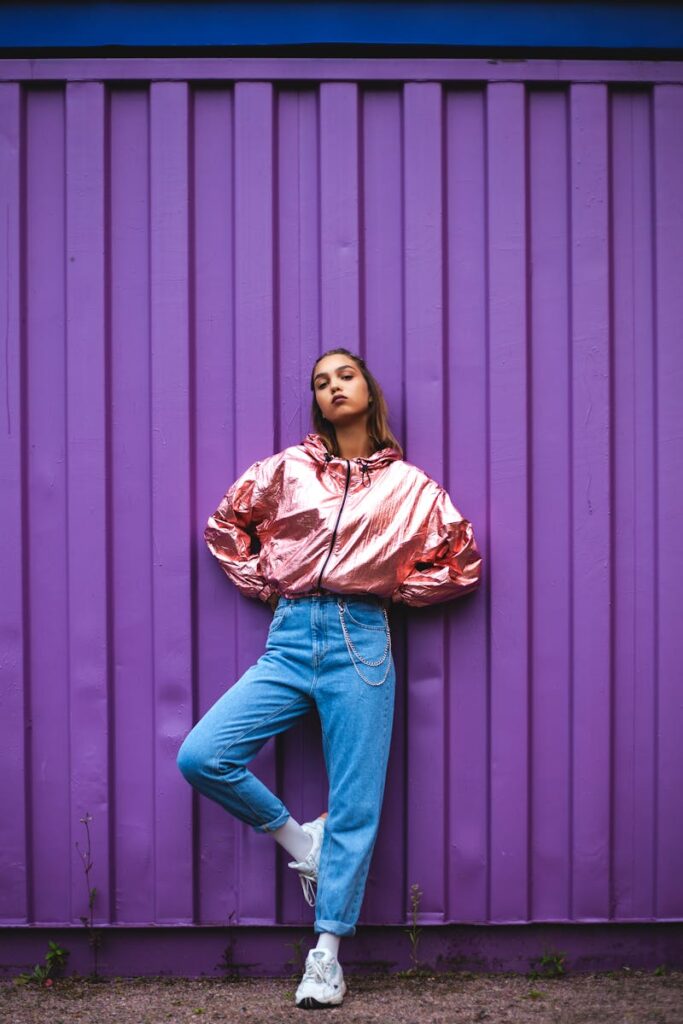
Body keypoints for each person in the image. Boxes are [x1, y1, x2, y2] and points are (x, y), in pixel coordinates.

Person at [176, 347, 482, 1009]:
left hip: (362, 640)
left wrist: (391, 591)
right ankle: (297, 837)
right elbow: (226, 524)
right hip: (288, 637)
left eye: (345, 376)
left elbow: (461, 565)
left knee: (356, 803)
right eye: (321, 382)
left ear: (367, 390)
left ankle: (325, 957)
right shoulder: (287, 470)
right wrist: (269, 584)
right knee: (202, 755)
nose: (333, 387)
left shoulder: (412, 488)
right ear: (315, 400)